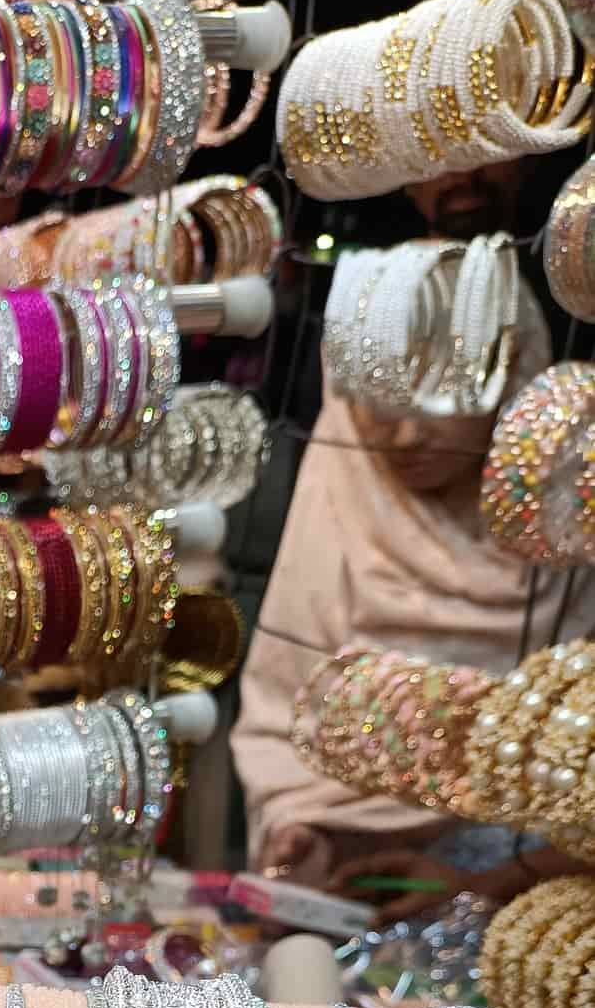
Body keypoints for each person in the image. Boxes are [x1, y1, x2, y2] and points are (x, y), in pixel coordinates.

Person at [231, 190, 595, 920]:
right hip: (355, 893)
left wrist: (497, 875)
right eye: (380, 407)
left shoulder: (569, 540)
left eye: (443, 400)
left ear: (512, 379)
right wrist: (300, 831)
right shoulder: (343, 501)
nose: (406, 440)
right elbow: (279, 711)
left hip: (544, 907)